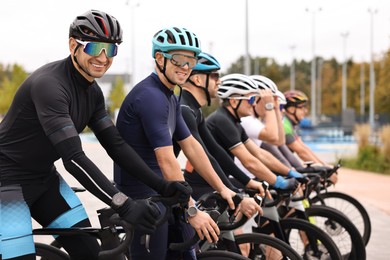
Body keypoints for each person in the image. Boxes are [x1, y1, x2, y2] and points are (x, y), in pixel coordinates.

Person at [0, 10, 190, 260]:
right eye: (95, 48)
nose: (103, 58)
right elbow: (74, 158)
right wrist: (123, 203)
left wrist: (162, 185)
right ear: (73, 46)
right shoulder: (50, 85)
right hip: (7, 183)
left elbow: (116, 145)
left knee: (93, 254)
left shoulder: (93, 93)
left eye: (110, 50)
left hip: (44, 180)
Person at [114, 27, 236, 260]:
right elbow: (166, 159)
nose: (186, 67)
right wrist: (191, 209)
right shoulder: (151, 96)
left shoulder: (171, 94)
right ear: (160, 59)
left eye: (191, 60)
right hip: (143, 199)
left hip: (163, 192)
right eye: (179, 59)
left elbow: (191, 146)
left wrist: (223, 188)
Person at [178, 52, 263, 214]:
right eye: (215, 76)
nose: (220, 81)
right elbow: (203, 155)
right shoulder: (184, 110)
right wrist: (234, 192)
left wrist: (245, 183)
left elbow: (215, 151)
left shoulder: (195, 110)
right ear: (197, 79)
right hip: (164, 184)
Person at [205, 73, 300, 190]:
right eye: (251, 99)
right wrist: (278, 182)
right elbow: (249, 162)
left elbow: (259, 154)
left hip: (221, 180)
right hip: (206, 185)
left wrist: (289, 172)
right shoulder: (222, 120)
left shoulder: (235, 122)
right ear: (234, 102)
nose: (254, 104)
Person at [234, 75, 303, 180]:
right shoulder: (247, 120)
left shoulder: (255, 121)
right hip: (244, 179)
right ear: (257, 99)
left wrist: (275, 108)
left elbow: (280, 141)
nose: (282, 110)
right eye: (267, 100)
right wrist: (270, 107)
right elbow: (273, 138)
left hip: (252, 177)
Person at [283, 90, 338, 183]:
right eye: (302, 107)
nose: (305, 111)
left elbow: (304, 148)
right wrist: (322, 168)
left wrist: (324, 165)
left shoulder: (290, 124)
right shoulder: (284, 124)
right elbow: (301, 152)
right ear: (291, 109)